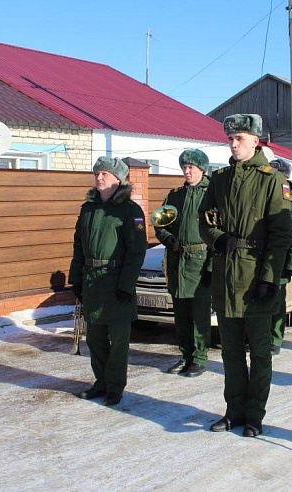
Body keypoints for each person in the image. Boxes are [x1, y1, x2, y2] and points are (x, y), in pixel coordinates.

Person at [199, 114, 292, 437]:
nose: (233, 144)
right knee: (231, 352)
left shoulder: (271, 180)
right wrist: (217, 238)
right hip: (227, 276)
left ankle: (255, 415)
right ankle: (233, 410)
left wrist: (269, 278)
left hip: (256, 279)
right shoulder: (220, 179)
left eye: (239, 138)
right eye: (230, 139)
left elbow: (281, 236)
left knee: (260, 353)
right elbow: (205, 219)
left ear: (256, 141)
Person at [70, 156, 147, 406]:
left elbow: (136, 251)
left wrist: (126, 284)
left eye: (104, 174)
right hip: (93, 282)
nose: (99, 177)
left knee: (118, 341)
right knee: (95, 338)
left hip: (116, 283)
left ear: (118, 179)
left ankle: (115, 386)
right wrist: (76, 279)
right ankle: (101, 382)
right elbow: (79, 246)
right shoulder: (88, 209)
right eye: (97, 173)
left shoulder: (130, 211)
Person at [154, 149, 213, 377]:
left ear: (201, 169)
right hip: (178, 262)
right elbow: (160, 222)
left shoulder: (211, 195)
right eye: (184, 168)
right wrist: (167, 237)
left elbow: (220, 230)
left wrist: (211, 267)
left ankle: (199, 358)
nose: (187, 172)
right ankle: (185, 355)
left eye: (192, 168)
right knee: (181, 315)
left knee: (199, 316)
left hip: (200, 263)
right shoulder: (175, 195)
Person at [269, 157, 292, 356]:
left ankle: (275, 338)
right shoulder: (264, 195)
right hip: (260, 257)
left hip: (280, 258)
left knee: (277, 301)